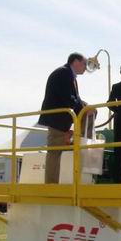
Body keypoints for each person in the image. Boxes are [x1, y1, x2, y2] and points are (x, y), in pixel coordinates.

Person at [38, 52, 92, 184]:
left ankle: (79, 137)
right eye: (84, 64)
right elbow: (68, 98)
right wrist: (83, 108)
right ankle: (51, 186)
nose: (86, 67)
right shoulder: (63, 73)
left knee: (55, 152)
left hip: (60, 119)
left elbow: (74, 98)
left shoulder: (68, 74)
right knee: (54, 153)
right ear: (75, 62)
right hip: (57, 119)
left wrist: (85, 106)